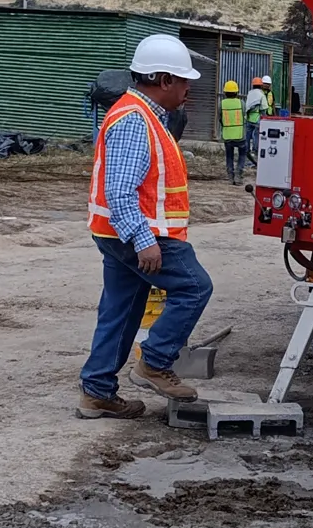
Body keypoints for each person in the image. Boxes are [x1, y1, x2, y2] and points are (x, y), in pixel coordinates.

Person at [78, 33, 214, 419]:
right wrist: (144, 241)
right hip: (140, 233)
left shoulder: (142, 115)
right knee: (194, 286)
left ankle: (97, 391)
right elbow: (120, 191)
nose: (189, 89)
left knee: (120, 310)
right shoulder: (136, 120)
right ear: (163, 80)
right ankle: (154, 362)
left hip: (116, 233)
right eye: (184, 81)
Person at [220, 79, 248, 185]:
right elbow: (245, 117)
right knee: (242, 155)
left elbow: (220, 118)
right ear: (237, 92)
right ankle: (238, 175)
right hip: (240, 135)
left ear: (225, 92)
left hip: (227, 136)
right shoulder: (241, 103)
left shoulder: (221, 104)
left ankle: (230, 176)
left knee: (229, 156)